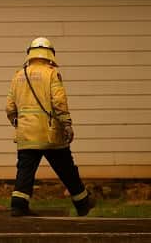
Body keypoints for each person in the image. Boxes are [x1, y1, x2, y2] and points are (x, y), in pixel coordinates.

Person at [6, 37, 96, 217]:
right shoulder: (51, 73)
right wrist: (67, 124)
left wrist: (17, 121)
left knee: (25, 170)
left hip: (26, 134)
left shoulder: (18, 75)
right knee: (66, 169)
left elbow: (10, 107)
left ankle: (18, 205)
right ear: (49, 54)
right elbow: (59, 102)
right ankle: (82, 202)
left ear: (30, 53)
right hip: (50, 133)